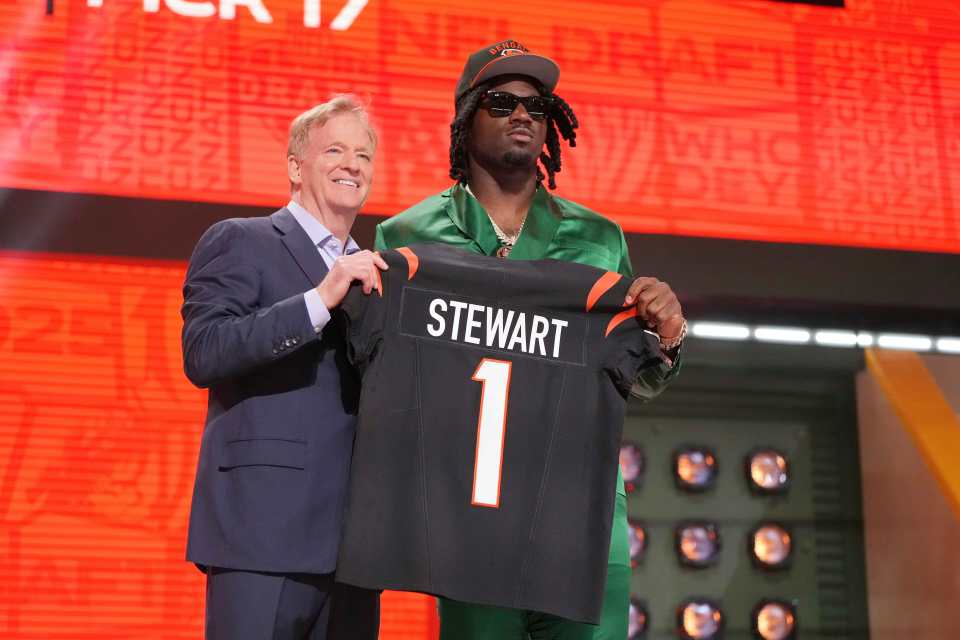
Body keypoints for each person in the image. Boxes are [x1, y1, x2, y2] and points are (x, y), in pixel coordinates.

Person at [375, 39, 687, 640]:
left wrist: (667, 339)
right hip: (470, 517)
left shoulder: (600, 236)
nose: (523, 115)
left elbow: (635, 380)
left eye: (538, 106)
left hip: (583, 510)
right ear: (466, 121)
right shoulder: (406, 236)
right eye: (502, 101)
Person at [181, 95, 386, 640]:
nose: (352, 165)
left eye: (363, 155)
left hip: (354, 549)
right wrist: (319, 300)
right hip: (262, 536)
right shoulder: (240, 240)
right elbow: (204, 350)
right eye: (335, 150)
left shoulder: (380, 275)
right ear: (295, 166)